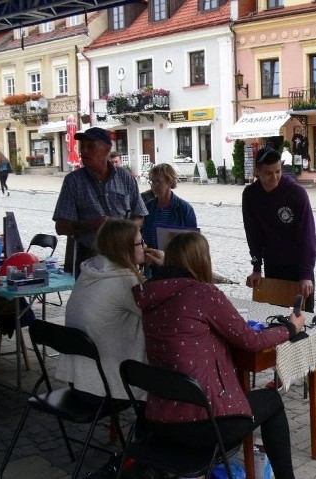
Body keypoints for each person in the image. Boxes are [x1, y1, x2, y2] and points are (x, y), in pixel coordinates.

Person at [133, 232, 304, 478]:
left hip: (159, 418)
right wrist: (290, 328)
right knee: (273, 402)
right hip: (204, 423)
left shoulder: (151, 297)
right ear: (203, 261)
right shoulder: (203, 293)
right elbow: (251, 340)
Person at [54, 218, 159, 401]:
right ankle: (150, 426)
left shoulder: (92, 269)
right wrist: (168, 267)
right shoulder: (124, 280)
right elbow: (159, 313)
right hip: (105, 385)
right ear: (124, 247)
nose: (146, 246)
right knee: (167, 373)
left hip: (78, 377)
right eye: (140, 243)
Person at [52, 127, 148, 278]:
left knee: (127, 298)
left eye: (90, 146)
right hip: (90, 257)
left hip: (123, 255)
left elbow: (140, 217)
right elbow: (61, 227)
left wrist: (119, 230)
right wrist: (93, 224)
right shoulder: (73, 181)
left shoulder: (125, 177)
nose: (84, 151)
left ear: (107, 149)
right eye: (82, 146)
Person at [242, 146, 316, 312]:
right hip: (273, 263)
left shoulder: (297, 193)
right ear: (257, 172)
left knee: (305, 317)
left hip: (298, 264)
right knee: (275, 314)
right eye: (268, 173)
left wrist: (306, 274)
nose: (274, 177)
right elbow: (252, 234)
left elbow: (307, 236)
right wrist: (256, 268)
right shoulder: (250, 195)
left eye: (278, 171)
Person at [141, 163, 197, 251]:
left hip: (175, 261)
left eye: (158, 181)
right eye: (152, 181)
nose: (154, 185)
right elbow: (144, 235)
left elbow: (193, 241)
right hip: (151, 261)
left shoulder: (184, 209)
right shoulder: (149, 206)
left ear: (170, 182)